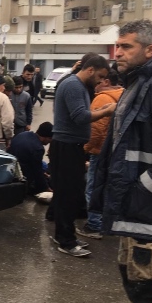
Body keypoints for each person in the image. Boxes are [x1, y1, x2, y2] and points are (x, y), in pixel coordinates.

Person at [91, 19, 152, 303]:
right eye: (117, 46)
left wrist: (144, 188)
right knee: (138, 287)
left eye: (126, 46)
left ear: (150, 50)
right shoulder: (138, 84)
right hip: (137, 210)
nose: (117, 52)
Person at [48, 54, 115, 257]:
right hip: (67, 146)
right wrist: (106, 111)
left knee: (67, 194)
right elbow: (79, 117)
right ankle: (66, 241)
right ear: (90, 69)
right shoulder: (74, 85)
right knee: (69, 195)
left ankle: (64, 235)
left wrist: (101, 109)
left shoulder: (77, 85)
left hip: (70, 145)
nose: (102, 81)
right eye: (100, 76)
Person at [76, 68, 123, 240]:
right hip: (116, 151)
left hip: (100, 151)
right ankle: (107, 222)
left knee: (93, 187)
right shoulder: (123, 95)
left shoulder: (102, 98)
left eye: (99, 80)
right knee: (109, 188)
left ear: (106, 82)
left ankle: (94, 224)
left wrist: (85, 149)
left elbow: (95, 129)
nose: (96, 84)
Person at [7, 122, 53, 196]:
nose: (49, 142)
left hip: (10, 168)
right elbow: (37, 172)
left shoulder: (23, 134)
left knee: (43, 166)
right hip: (22, 176)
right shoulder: (38, 148)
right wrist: (46, 188)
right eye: (50, 139)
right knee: (46, 175)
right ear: (46, 137)